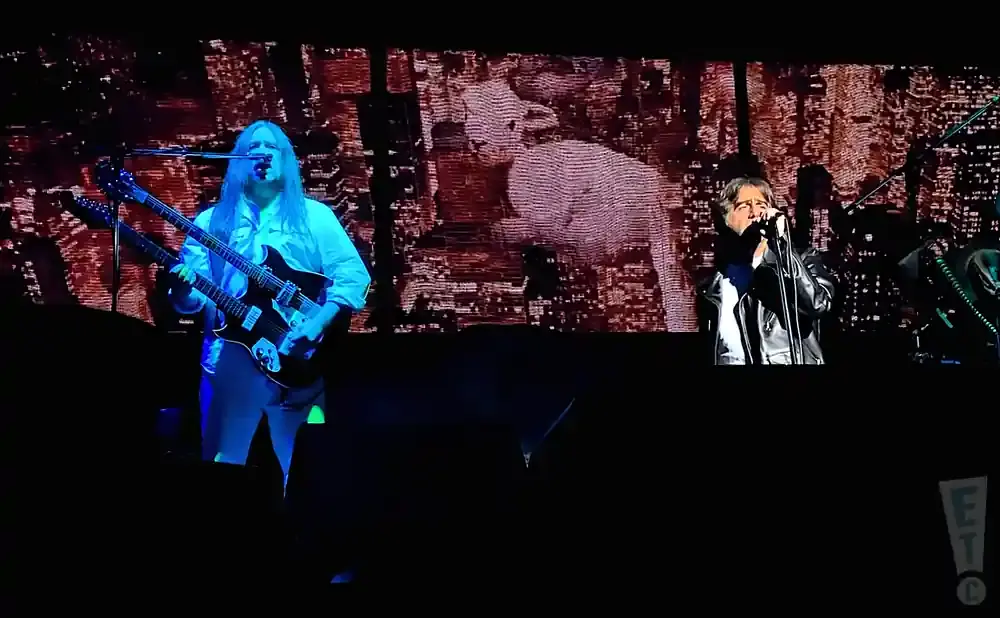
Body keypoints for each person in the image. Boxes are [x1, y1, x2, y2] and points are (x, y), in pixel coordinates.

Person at [168, 119, 371, 485]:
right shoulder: (210, 222)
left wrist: (317, 324)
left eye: (271, 148)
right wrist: (182, 292)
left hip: (298, 357)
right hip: (229, 360)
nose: (262, 154)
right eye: (252, 148)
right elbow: (193, 302)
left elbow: (353, 275)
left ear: (285, 159)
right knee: (221, 468)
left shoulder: (315, 216)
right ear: (237, 161)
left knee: (308, 472)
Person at [697, 176, 835, 365]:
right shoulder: (712, 288)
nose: (755, 213)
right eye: (744, 206)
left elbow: (817, 305)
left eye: (761, 205)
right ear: (726, 219)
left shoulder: (802, 259)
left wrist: (784, 250)